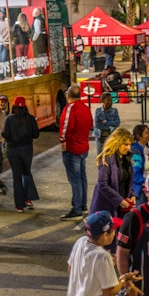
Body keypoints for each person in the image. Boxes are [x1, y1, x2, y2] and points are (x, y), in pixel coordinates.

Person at [59, 85, 93, 221]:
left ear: (68, 95)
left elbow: (65, 126)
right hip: (83, 147)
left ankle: (77, 208)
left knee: (75, 180)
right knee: (82, 178)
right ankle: (83, 204)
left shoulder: (70, 108)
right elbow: (90, 124)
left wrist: (62, 141)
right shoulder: (85, 108)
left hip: (72, 148)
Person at [89, 127, 135, 222]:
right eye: (125, 144)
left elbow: (127, 181)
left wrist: (132, 195)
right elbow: (102, 184)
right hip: (107, 207)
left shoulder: (127, 159)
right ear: (117, 142)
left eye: (130, 144)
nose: (128, 148)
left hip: (123, 207)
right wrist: (119, 200)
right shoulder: (106, 159)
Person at [3, 96, 39, 213]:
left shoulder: (9, 119)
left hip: (12, 151)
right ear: (25, 106)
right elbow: (36, 135)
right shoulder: (31, 119)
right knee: (27, 173)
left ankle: (19, 206)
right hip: (27, 150)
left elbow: (5, 134)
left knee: (16, 177)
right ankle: (28, 199)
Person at [131, 124, 149, 204]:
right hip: (141, 188)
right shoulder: (136, 151)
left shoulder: (147, 148)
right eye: (147, 133)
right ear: (139, 136)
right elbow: (135, 172)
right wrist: (145, 181)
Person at [11, 12, 31, 77]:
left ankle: (19, 73)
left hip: (19, 43)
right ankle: (24, 72)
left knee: (19, 58)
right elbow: (29, 33)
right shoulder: (27, 25)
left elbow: (12, 33)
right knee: (24, 58)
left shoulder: (17, 25)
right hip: (26, 43)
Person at [31, 7, 48, 75]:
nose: (32, 13)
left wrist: (33, 39)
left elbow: (37, 31)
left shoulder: (37, 20)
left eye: (33, 11)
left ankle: (38, 71)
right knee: (42, 54)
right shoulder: (42, 19)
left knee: (37, 55)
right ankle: (42, 69)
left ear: (37, 13)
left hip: (38, 40)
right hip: (42, 40)